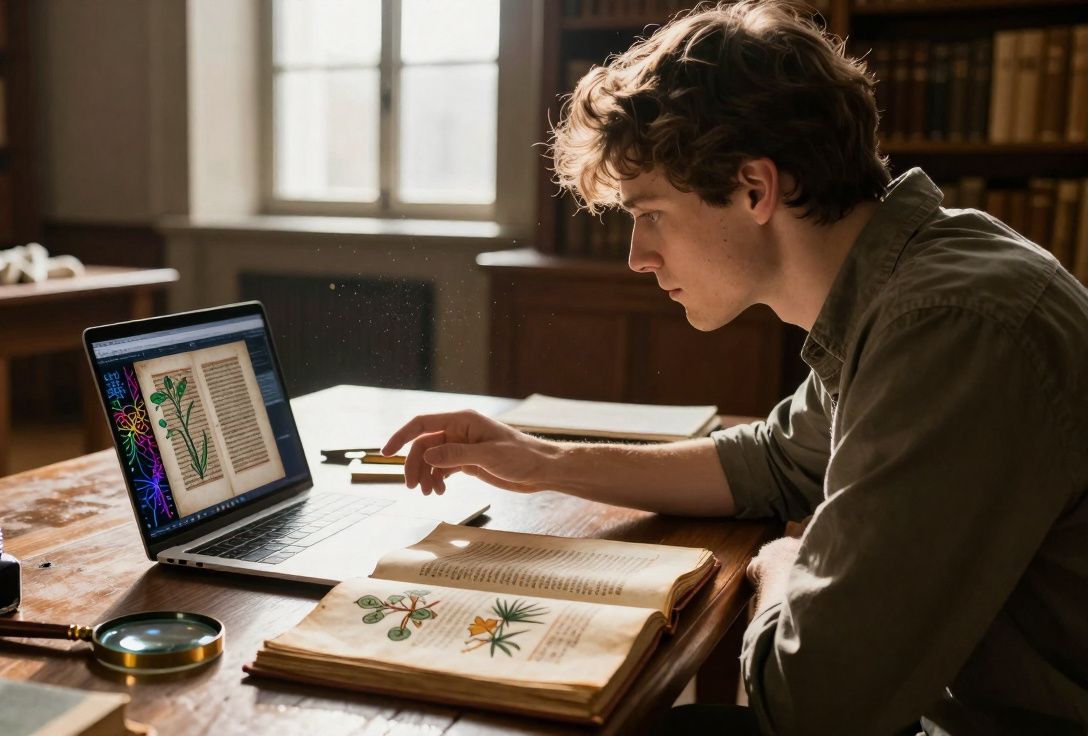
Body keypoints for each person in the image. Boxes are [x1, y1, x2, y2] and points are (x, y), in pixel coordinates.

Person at [381, 2, 1088, 734]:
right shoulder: (905, 286)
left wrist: (784, 563)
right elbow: (774, 462)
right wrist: (543, 461)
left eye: (650, 212)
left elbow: (813, 707)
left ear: (755, 189)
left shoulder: (949, 325)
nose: (638, 257)